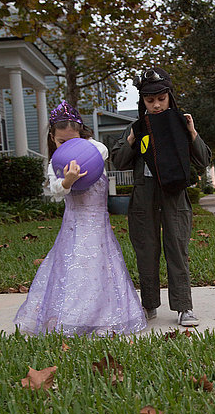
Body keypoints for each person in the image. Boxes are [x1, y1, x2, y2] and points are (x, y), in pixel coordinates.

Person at [14, 100, 147, 337]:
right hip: (74, 227)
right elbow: (55, 191)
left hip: (99, 225)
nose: (66, 146)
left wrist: (81, 148)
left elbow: (103, 151)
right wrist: (67, 181)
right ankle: (72, 317)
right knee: (74, 268)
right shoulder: (57, 164)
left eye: (72, 140)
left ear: (82, 135)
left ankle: (102, 316)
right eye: (61, 142)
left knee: (101, 268)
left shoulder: (93, 149)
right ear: (53, 140)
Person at [112, 67, 211, 326]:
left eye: (161, 99)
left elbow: (203, 160)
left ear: (170, 97)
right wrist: (132, 137)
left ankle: (183, 307)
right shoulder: (137, 127)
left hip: (174, 196)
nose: (156, 105)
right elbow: (118, 162)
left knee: (177, 249)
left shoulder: (181, 123)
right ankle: (148, 305)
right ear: (142, 101)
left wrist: (192, 133)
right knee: (146, 250)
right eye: (150, 100)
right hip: (144, 196)